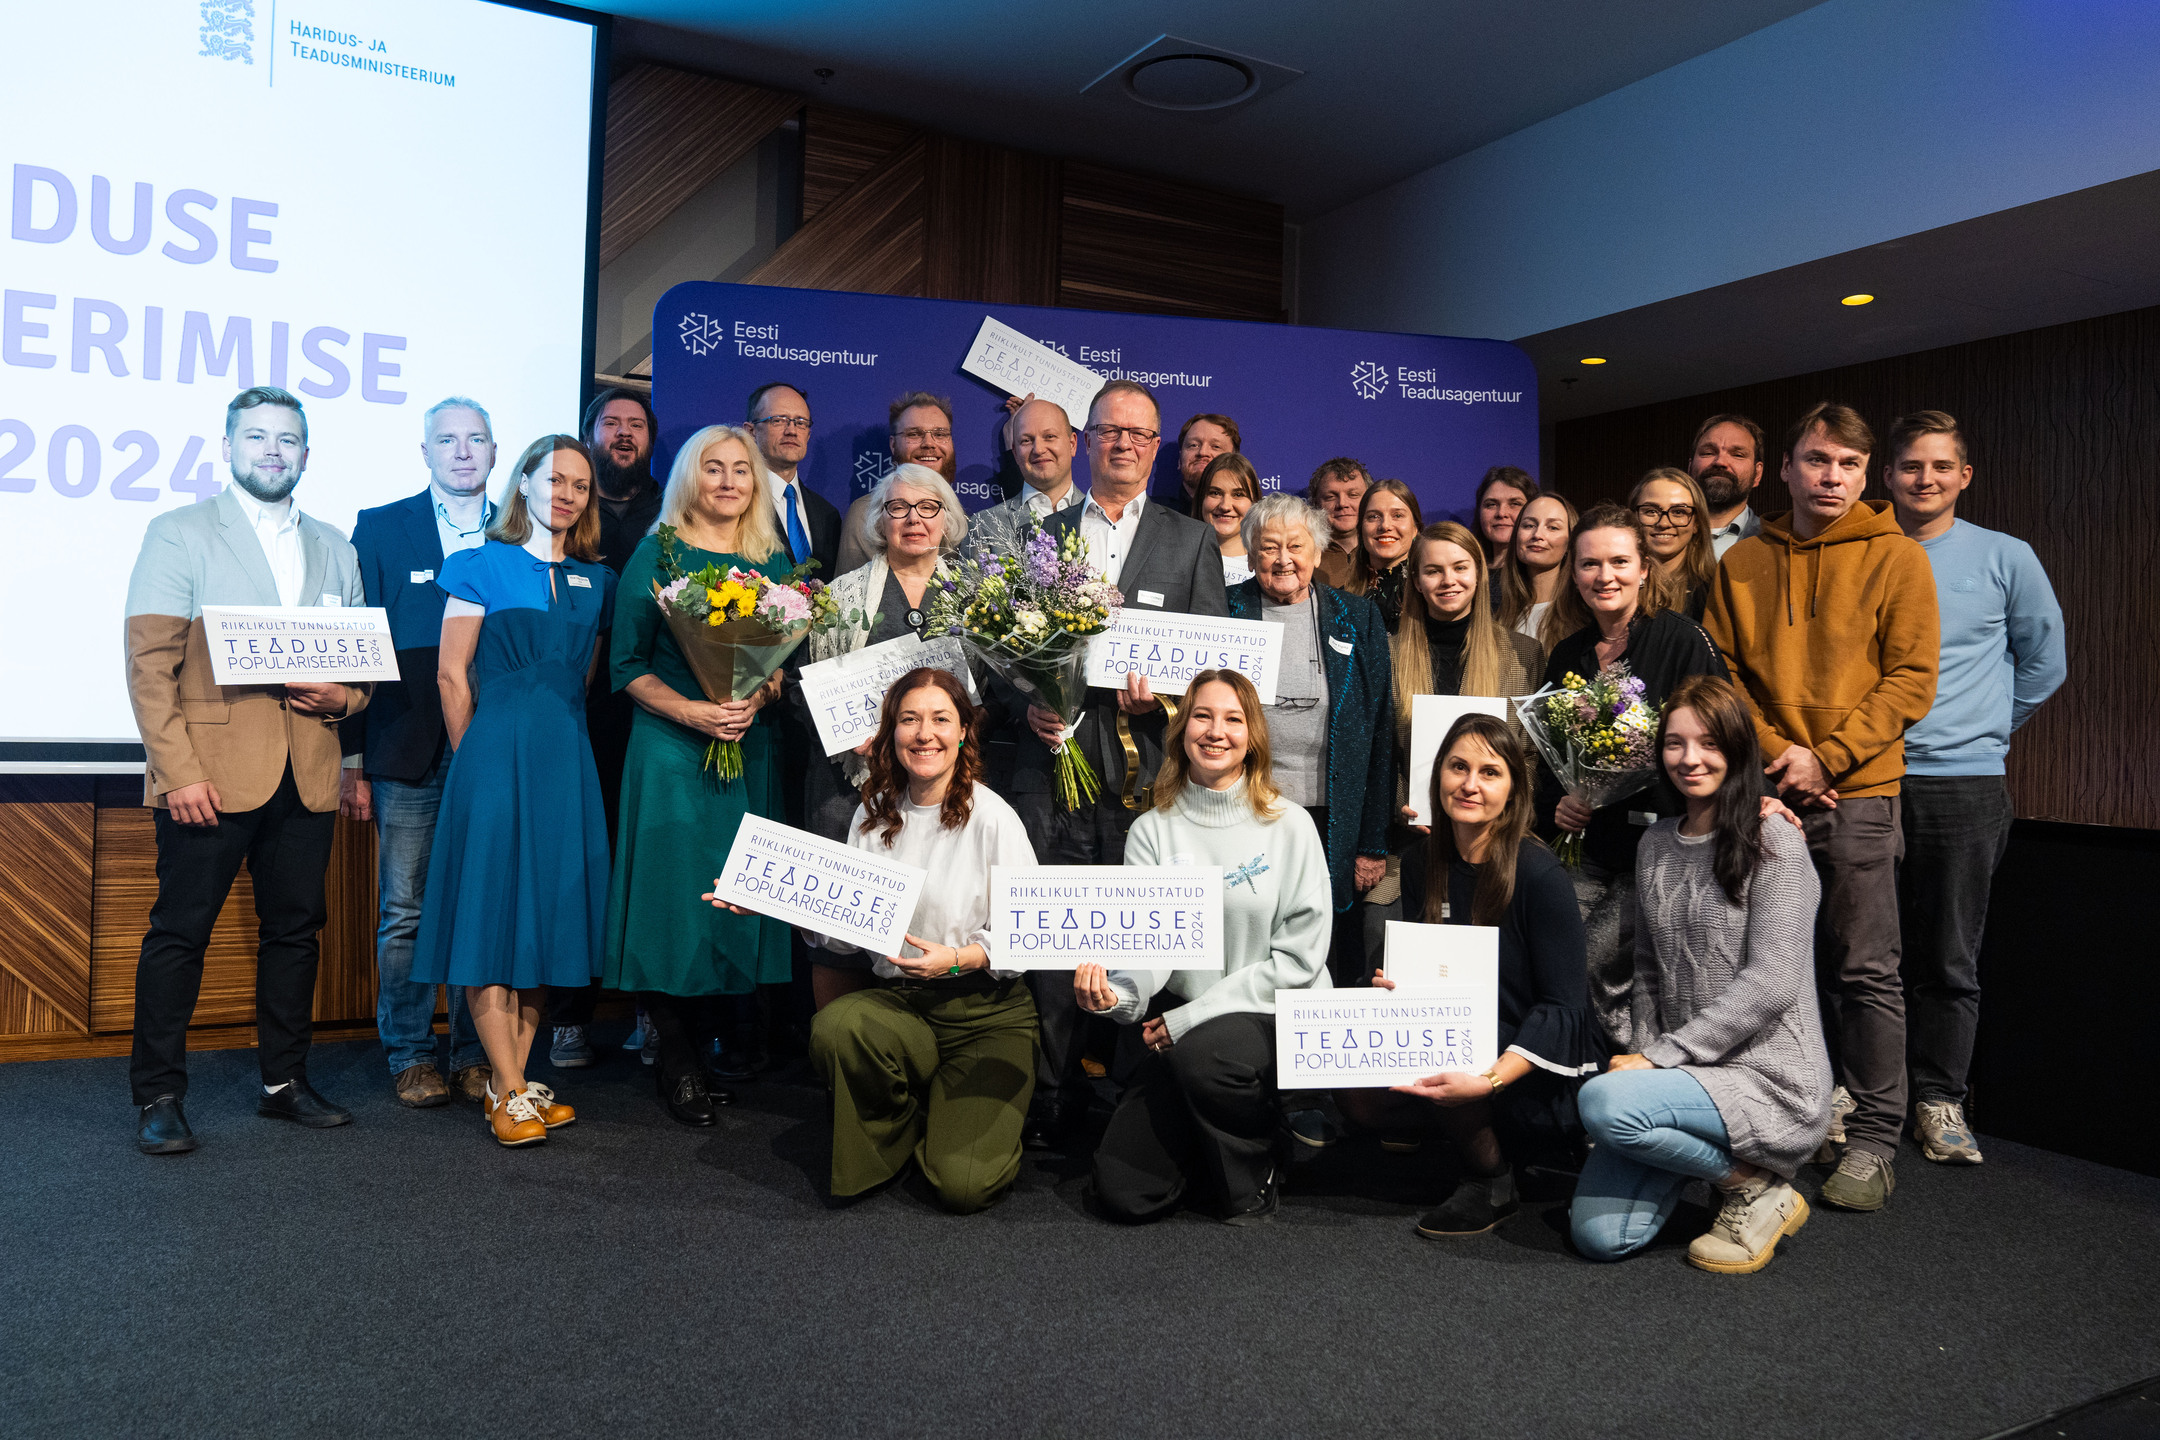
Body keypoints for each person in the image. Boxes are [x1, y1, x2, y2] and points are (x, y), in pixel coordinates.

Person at [1704, 402, 1940, 1213]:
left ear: (1865, 474)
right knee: (1763, 967)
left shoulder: (1898, 557)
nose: (1829, 477)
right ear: (1787, 469)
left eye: (1845, 464)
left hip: (1860, 793)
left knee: (1865, 970)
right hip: (1766, 794)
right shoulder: (1741, 565)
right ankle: (1777, 1120)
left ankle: (1874, 1139)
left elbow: (1912, 678)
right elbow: (1723, 674)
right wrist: (1781, 757)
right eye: (1815, 460)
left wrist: (1827, 756)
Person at [123, 386, 372, 1154]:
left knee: (297, 933)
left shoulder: (338, 545)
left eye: (288, 439)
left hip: (308, 773)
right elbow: (147, 666)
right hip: (209, 778)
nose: (273, 450)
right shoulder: (180, 532)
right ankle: (159, 1094)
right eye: (257, 436)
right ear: (228, 446)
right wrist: (177, 772)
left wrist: (346, 700)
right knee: (179, 935)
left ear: (306, 452)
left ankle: (283, 1083)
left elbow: (359, 675)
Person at [1016, 379, 1230, 1151]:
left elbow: (1213, 668)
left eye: (1140, 435)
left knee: (1138, 938)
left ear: (1156, 444)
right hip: (1053, 768)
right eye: (1110, 431)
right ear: (1085, 438)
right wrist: (1029, 700)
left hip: (1145, 781)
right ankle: (1048, 1098)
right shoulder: (1041, 532)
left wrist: (1165, 700)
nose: (1124, 445)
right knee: (1057, 937)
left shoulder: (1190, 538)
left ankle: (1130, 1103)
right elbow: (1000, 645)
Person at [1569, 676, 1831, 1272]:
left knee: (1606, 1105)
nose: (1690, 759)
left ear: (1738, 749)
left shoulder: (1775, 842)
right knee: (1600, 1236)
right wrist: (1646, 1052)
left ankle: (1751, 1187)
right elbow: (1646, 970)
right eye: (1675, 744)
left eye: (1709, 743)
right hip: (1685, 1071)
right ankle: (1730, 1171)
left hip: (1768, 1078)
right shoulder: (1656, 843)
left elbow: (1773, 981)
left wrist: (1658, 1061)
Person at [410, 436, 617, 1146]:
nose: (566, 493)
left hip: (566, 763)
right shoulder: (478, 565)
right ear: (523, 481)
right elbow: (450, 677)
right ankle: (511, 1094)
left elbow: (581, 681)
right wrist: (481, 764)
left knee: (544, 929)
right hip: (494, 760)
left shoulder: (599, 580)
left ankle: (511, 1085)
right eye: (554, 478)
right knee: (492, 922)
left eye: (581, 486)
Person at [773, 669, 1039, 1213]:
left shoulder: (994, 817)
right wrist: (781, 904)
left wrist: (959, 960)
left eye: (941, 719)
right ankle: (900, 1124)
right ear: (891, 733)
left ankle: (953, 1117)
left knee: (963, 1187)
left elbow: (1028, 939)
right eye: (909, 719)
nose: (925, 734)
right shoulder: (873, 817)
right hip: (902, 1009)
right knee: (837, 1027)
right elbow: (848, 942)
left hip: (986, 1015)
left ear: (964, 731)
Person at [1076, 670, 1332, 1224]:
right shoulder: (1152, 830)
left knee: (1206, 1057)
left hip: (1270, 1014)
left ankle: (1254, 1165)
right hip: (1184, 1031)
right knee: (1123, 1193)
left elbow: (1300, 962)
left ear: (1254, 736)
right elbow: (1149, 951)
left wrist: (1191, 1019)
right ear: (1181, 728)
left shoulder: (1290, 826)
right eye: (1203, 716)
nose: (1217, 731)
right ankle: (1203, 1134)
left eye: (1234, 719)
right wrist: (1114, 996)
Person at [1341, 714, 1603, 1237]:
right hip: (1463, 1037)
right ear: (1437, 776)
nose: (1470, 784)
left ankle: (1492, 1177)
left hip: (1536, 1063)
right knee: (1353, 1087)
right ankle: (1468, 1131)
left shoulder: (1538, 873)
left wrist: (1488, 1079)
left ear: (1513, 790)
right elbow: (1431, 964)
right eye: (1458, 767)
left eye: (1490, 772)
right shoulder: (1422, 862)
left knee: (1447, 1054)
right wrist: (1394, 988)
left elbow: (1564, 1009)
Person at [1884, 410, 2064, 1165]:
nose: (1924, 479)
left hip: (1965, 784)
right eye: (1910, 467)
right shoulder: (1865, 551)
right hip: (1869, 781)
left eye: (1939, 467)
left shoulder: (2004, 556)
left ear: (1964, 476)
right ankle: (1867, 1096)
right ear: (1887, 475)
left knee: (1949, 957)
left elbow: (2043, 664)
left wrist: (1983, 726)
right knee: (1862, 953)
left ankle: (1939, 1101)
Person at [604, 424, 794, 1126]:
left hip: (747, 746)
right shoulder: (657, 552)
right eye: (712, 469)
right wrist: (694, 711)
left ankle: (709, 1049)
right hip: (671, 746)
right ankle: (677, 1061)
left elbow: (785, 667)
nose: (727, 481)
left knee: (734, 896)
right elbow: (626, 664)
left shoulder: (772, 559)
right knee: (670, 902)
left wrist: (756, 696)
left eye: (740, 470)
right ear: (690, 478)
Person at [345, 396, 496, 1107]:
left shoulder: (523, 532)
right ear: (426, 452)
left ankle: (474, 1053)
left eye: (475, 439)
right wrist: (351, 761)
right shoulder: (379, 529)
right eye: (447, 440)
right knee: (405, 909)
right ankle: (410, 1054)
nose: (462, 452)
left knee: (478, 903)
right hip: (404, 750)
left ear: (496, 452)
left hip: (495, 752)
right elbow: (354, 648)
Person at [1539, 504, 1730, 1046]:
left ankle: (1626, 1084)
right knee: (1560, 964)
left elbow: (1723, 739)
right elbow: (1553, 757)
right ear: (1573, 574)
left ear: (1645, 568)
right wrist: (1560, 800)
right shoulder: (1567, 655)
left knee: (1609, 974)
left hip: (1665, 847)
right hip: (1588, 845)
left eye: (1620, 562)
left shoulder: (1682, 640)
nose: (1606, 577)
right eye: (1590, 565)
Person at [800, 463, 973, 1008]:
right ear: (879, 521)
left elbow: (996, 690)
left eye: (928, 508)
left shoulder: (978, 596)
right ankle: (841, 1056)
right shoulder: (839, 597)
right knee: (839, 932)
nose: (913, 520)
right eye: (898, 508)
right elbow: (806, 690)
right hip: (847, 785)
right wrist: (841, 729)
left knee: (928, 917)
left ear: (947, 520)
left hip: (939, 790)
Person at [1224, 494, 1393, 986]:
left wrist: (1372, 844)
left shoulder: (1358, 618)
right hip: (1248, 813)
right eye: (1269, 547)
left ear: (1318, 552)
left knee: (1324, 945)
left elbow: (1380, 733)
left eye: (1295, 546)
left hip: (1330, 820)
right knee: (1252, 934)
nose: (1283, 560)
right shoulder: (1223, 609)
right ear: (1251, 554)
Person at [558, 385, 661, 1068]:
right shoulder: (566, 511)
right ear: (588, 434)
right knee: (581, 866)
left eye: (636, 425)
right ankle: (569, 1017)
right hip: (580, 720)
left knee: (650, 867)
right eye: (611, 424)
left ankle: (653, 1014)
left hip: (660, 720)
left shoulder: (673, 511)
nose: (623, 434)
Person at [837, 391, 959, 574]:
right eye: (914, 434)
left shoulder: (962, 515)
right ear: (893, 445)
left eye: (940, 434)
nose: (929, 443)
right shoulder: (865, 514)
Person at [747, 381, 842, 576]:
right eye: (779, 420)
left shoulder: (828, 515)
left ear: (808, 434)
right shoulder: (737, 503)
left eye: (800, 422)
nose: (791, 430)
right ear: (751, 431)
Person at [969, 396, 1084, 555]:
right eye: (1026, 441)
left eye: (1049, 437)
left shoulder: (1101, 517)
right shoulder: (984, 526)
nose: (1038, 449)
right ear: (1015, 453)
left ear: (1072, 444)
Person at [1630, 466, 1716, 621]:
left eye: (1678, 512)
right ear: (1633, 518)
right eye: (1651, 511)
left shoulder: (1714, 592)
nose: (1663, 523)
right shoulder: (1613, 584)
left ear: (1696, 523)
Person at [1496, 492, 1577, 651]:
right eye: (1529, 525)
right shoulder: (1497, 612)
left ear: (1570, 542)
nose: (1537, 535)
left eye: (1553, 527)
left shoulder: (1584, 614)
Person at [1346, 478, 1424, 629]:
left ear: (1415, 528)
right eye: (1373, 517)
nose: (1385, 525)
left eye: (1398, 515)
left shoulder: (1431, 592)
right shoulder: (1342, 600)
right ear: (1361, 529)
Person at [1689, 414, 1767, 559]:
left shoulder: (1774, 542)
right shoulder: (1656, 535)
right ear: (1690, 468)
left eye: (1737, 455)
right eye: (1708, 453)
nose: (1720, 462)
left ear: (1757, 474)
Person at [1195, 452, 1259, 587]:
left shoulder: (1267, 565)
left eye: (1238, 494)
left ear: (1254, 503)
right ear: (1201, 499)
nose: (1225, 506)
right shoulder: (1178, 559)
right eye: (1215, 493)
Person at [1304, 457, 1369, 588]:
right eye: (1331, 497)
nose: (1342, 504)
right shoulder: (1303, 555)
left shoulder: (1384, 551)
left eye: (1353, 495)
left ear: (1370, 500)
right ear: (1315, 503)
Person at [1174, 412, 1240, 515]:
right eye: (1193, 445)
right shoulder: (1150, 516)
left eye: (1216, 446)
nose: (1202, 452)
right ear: (1180, 460)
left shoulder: (1252, 521)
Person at [1472, 466, 1539, 564]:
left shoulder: (1540, 573)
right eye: (1491, 505)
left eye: (1515, 504)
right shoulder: (1468, 573)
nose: (1501, 513)